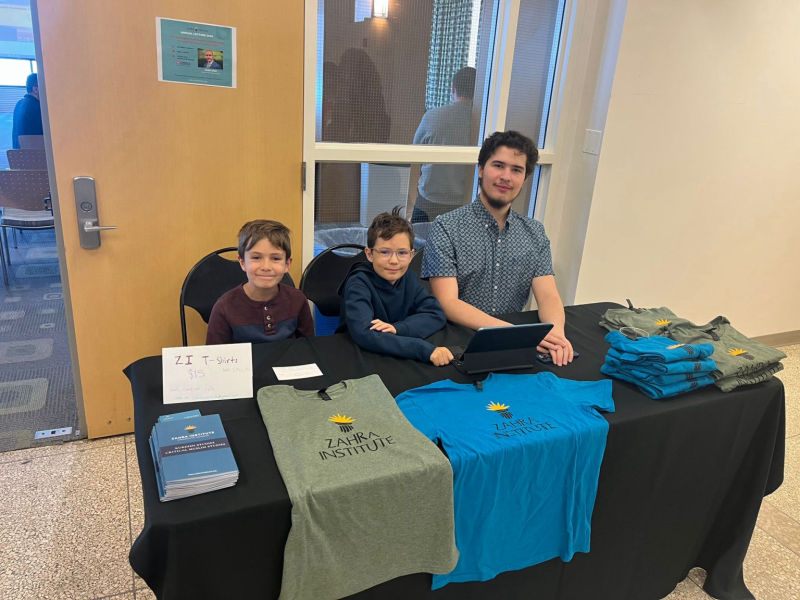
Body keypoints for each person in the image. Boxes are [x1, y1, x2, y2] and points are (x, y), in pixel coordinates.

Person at [422, 130, 574, 366]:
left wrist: (556, 336)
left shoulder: (534, 232)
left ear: (524, 179)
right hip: (457, 347)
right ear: (481, 169)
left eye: (516, 170)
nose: (506, 177)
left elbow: (548, 296)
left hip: (515, 348)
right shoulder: (446, 227)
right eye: (498, 165)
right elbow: (448, 303)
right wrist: (514, 333)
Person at [338, 213, 452, 366]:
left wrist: (398, 328)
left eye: (402, 253)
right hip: (357, 357)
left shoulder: (409, 278)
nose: (394, 261)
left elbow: (436, 314)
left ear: (411, 255)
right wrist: (422, 349)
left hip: (394, 354)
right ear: (370, 254)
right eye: (385, 252)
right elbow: (364, 333)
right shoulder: (358, 284)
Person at [206, 220, 313, 344]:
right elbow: (215, 353)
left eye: (275, 258)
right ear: (242, 262)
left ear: (287, 264)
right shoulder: (224, 307)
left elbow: (309, 346)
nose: (266, 267)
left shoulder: (298, 300)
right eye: (256, 257)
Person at [410, 66, 476, 223]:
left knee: (418, 238)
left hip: (428, 200)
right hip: (463, 202)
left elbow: (414, 152)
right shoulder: (481, 123)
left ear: (453, 88)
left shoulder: (432, 116)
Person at [12, 73, 43, 149]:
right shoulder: (37, 107)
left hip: (20, 154)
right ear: (35, 89)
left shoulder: (19, 104)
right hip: (36, 153)